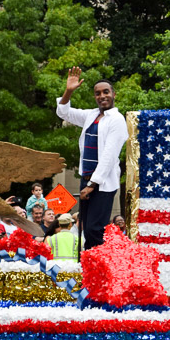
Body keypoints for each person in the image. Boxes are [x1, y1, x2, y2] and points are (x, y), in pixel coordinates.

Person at [57, 66, 127, 250]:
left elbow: (109, 157)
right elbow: (64, 113)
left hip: (101, 184)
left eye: (106, 92)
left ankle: (98, 270)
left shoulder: (117, 119)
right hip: (87, 179)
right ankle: (90, 267)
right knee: (86, 229)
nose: (102, 96)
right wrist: (68, 91)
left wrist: (91, 185)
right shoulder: (92, 115)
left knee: (96, 230)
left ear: (114, 94)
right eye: (98, 93)